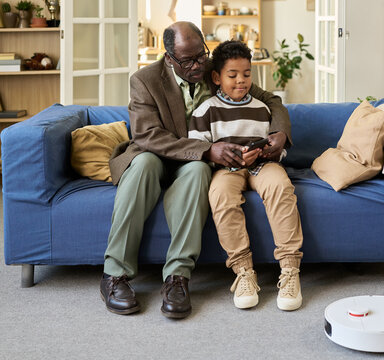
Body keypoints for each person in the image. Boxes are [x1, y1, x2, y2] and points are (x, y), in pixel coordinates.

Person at [100, 22, 291, 318]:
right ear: (169, 58)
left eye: (201, 55)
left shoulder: (215, 69)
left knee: (199, 171)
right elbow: (147, 135)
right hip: (154, 154)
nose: (197, 65)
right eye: (187, 60)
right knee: (144, 166)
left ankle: (178, 277)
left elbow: (270, 100)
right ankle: (114, 275)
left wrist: (279, 132)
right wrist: (206, 149)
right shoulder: (145, 80)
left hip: (193, 164)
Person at [189, 40, 304, 311]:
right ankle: (243, 272)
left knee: (280, 186)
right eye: (232, 75)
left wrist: (267, 153)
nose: (241, 81)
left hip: (261, 165)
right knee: (219, 194)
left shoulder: (263, 109)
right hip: (226, 171)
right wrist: (219, 156)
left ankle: (290, 270)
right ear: (216, 78)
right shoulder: (206, 110)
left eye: (247, 74)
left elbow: (276, 148)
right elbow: (198, 147)